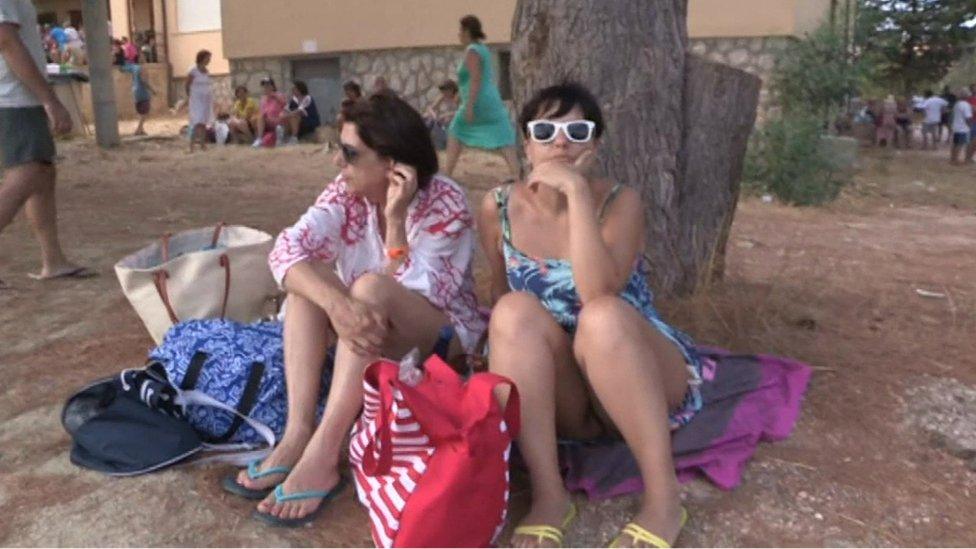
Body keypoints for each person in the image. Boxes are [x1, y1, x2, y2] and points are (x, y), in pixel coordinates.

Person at [221, 92, 487, 527]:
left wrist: (396, 220)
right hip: (367, 332)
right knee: (305, 292)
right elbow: (286, 249)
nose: (336, 163)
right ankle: (296, 435)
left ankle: (325, 453)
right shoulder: (347, 194)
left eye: (348, 153)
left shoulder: (446, 204)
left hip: (441, 338)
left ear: (393, 165)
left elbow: (422, 294)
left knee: (368, 288)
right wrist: (335, 304)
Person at [478, 83, 702, 548]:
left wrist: (577, 194)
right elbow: (499, 293)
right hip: (568, 393)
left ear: (595, 145)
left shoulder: (621, 201)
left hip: (635, 367)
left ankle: (663, 503)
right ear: (526, 143)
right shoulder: (497, 207)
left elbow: (599, 291)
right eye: (546, 130)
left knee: (600, 317)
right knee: (512, 310)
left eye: (577, 130)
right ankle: (549, 496)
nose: (561, 142)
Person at [0, 0, 93, 289]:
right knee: (30, 172)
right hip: (13, 97)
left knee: (42, 174)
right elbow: (5, 40)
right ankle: (52, 261)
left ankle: (53, 260)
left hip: (17, 96)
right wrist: (49, 100)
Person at [444, 15, 519, 180]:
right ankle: (516, 172)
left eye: (461, 31)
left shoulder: (472, 51)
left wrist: (469, 105)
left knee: (456, 130)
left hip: (478, 100)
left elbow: (475, 79)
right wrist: (459, 96)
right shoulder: (483, 48)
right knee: (503, 131)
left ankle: (448, 173)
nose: (459, 35)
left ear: (467, 32)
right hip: (490, 98)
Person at [277, 80, 320, 145]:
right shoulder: (294, 99)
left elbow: (298, 111)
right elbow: (285, 109)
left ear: (300, 89)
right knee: (286, 117)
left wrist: (286, 115)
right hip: (299, 123)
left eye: (294, 89)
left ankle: (294, 137)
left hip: (309, 121)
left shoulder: (307, 98)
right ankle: (283, 138)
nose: (292, 90)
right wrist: (282, 114)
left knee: (293, 116)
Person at [186, 49, 213, 152]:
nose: (209, 60)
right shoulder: (193, 70)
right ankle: (191, 146)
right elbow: (187, 84)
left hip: (206, 98)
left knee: (203, 122)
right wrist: (190, 96)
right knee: (195, 121)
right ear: (202, 58)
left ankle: (202, 144)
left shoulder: (206, 71)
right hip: (196, 99)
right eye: (207, 58)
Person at [119, 61, 155, 136]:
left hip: (135, 91)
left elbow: (121, 69)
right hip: (142, 91)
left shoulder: (133, 67)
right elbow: (143, 81)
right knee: (145, 112)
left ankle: (141, 129)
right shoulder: (142, 68)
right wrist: (152, 90)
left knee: (141, 112)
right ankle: (138, 129)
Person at [252, 77, 286, 147]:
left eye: (268, 85)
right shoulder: (263, 99)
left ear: (272, 86)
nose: (265, 88)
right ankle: (259, 139)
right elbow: (262, 112)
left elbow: (284, 105)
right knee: (257, 118)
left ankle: (260, 139)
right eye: (264, 86)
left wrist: (274, 95)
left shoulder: (279, 95)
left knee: (261, 117)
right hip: (267, 121)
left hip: (277, 120)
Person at [949, 87, 972, 165]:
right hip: (963, 128)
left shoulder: (957, 104)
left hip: (956, 127)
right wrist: (970, 126)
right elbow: (968, 118)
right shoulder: (966, 105)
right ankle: (956, 160)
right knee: (960, 144)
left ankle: (952, 158)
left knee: (955, 143)